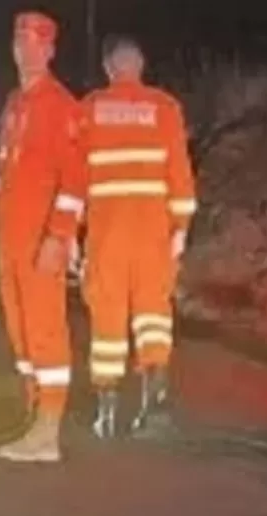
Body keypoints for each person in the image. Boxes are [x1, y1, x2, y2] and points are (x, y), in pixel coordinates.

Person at [0, 10, 85, 462]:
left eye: (35, 43)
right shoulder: (15, 105)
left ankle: (48, 433)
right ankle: (33, 415)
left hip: (39, 243)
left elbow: (75, 181)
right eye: (20, 42)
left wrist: (59, 238)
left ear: (50, 50)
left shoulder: (61, 106)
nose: (26, 51)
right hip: (11, 243)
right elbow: (3, 176)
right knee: (21, 335)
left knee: (46, 332)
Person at [77, 35, 197, 438]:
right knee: (153, 316)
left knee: (107, 319)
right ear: (141, 66)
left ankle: (107, 414)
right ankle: (155, 406)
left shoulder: (90, 108)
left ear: (109, 69)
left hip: (106, 233)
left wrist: (72, 235)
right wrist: (180, 229)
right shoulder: (165, 108)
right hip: (153, 234)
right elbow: (180, 174)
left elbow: (75, 179)